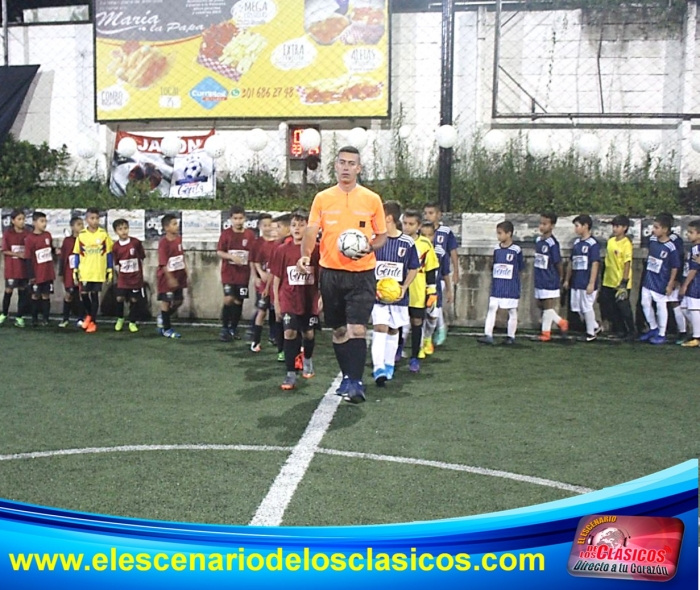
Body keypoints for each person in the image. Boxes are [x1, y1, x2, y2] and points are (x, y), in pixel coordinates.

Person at [298, 146, 387, 404]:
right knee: (338, 330)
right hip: (331, 273)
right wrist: (306, 255)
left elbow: (381, 235)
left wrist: (369, 246)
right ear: (335, 166)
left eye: (352, 163)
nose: (346, 167)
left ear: (359, 168)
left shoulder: (372, 199)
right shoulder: (322, 198)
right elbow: (312, 231)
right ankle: (348, 376)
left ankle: (357, 383)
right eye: (342, 163)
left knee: (357, 328)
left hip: (362, 273)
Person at [371, 201, 419, 385]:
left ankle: (389, 364)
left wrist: (404, 287)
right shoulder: (375, 240)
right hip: (377, 297)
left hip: (398, 297)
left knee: (393, 329)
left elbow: (414, 268)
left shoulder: (407, 242)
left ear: (388, 218)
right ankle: (378, 368)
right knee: (380, 327)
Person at [271, 211, 320, 390]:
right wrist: (276, 301)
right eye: (294, 225)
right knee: (289, 333)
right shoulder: (282, 250)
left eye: (301, 225)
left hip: (309, 299)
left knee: (308, 334)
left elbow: (321, 275)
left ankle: (307, 358)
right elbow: (277, 277)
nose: (297, 228)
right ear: (289, 228)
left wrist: (320, 297)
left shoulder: (316, 249)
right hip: (288, 299)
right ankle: (290, 374)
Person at [401, 210, 439, 372]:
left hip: (417, 290)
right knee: (398, 323)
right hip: (397, 288)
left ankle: (415, 356)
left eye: (411, 224)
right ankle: (396, 350)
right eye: (405, 223)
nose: (407, 227)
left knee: (417, 322)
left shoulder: (425, 244)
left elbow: (430, 270)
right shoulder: (397, 241)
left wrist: (432, 291)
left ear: (419, 226)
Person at [477, 221, 524, 345]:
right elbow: (494, 263)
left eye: (500, 233)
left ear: (509, 234)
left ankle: (511, 336)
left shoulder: (516, 250)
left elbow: (520, 267)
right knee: (492, 308)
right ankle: (488, 335)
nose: (498, 236)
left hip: (510, 286)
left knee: (512, 310)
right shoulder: (497, 248)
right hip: (497, 285)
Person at [638, 213, 681, 345]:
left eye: (656, 227)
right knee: (645, 303)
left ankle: (662, 333)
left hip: (661, 281)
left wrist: (670, 283)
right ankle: (653, 328)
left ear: (665, 230)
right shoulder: (652, 240)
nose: (653, 230)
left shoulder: (671, 247)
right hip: (649, 279)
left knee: (660, 306)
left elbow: (675, 266)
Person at [216, 205, 256, 342]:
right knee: (228, 298)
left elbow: (253, 254)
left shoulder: (250, 235)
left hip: (243, 274)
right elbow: (219, 251)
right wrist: (231, 257)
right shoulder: (226, 234)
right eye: (235, 218)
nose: (238, 221)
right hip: (228, 273)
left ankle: (233, 327)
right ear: (231, 219)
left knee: (239, 301)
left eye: (240, 218)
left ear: (244, 218)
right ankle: (224, 328)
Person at [72, 207, 113, 333]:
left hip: (98, 271)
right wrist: (75, 269)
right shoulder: (82, 235)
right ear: (87, 219)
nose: (95, 221)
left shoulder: (103, 234)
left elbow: (109, 253)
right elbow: (77, 254)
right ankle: (89, 315)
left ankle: (93, 322)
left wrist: (109, 269)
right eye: (92, 218)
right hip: (85, 271)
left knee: (95, 296)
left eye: (97, 218)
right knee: (84, 295)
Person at [423, 202, 459, 345]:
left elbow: (453, 251)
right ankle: (434, 330)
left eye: (431, 213)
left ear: (438, 214)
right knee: (429, 305)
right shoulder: (421, 230)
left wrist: (456, 271)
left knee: (435, 303)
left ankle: (440, 329)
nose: (428, 216)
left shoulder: (445, 231)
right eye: (426, 213)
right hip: (424, 274)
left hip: (440, 273)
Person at [563, 215, 601, 342]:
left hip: (586, 282)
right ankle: (595, 326)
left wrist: (591, 283)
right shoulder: (577, 243)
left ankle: (591, 333)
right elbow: (572, 262)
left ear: (585, 226)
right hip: (576, 282)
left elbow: (595, 263)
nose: (575, 229)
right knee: (577, 308)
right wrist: (567, 279)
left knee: (586, 306)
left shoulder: (593, 244)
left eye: (577, 226)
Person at [599, 215, 635, 341]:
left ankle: (631, 331)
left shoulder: (626, 244)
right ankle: (620, 330)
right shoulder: (610, 241)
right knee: (611, 308)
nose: (615, 229)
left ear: (624, 228)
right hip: (608, 280)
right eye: (613, 226)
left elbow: (627, 263)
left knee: (624, 308)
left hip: (620, 282)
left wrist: (624, 282)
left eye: (617, 226)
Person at [534, 213, 568, 341]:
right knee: (540, 304)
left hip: (549, 278)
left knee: (548, 306)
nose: (541, 226)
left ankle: (546, 333)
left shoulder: (552, 243)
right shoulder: (538, 240)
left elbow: (557, 262)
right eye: (540, 223)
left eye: (545, 224)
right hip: (539, 278)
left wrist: (560, 277)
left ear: (552, 225)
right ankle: (561, 322)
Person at [419, 221, 449, 356]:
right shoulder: (414, 248)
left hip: (433, 290)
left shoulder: (441, 252)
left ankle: (427, 338)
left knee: (432, 317)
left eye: (429, 235)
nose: (427, 239)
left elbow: (445, 272)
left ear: (434, 235)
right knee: (415, 320)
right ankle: (416, 346)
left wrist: (449, 289)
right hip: (417, 289)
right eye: (423, 235)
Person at [111, 218, 146, 333]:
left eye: (125, 228)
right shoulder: (115, 246)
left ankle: (132, 322)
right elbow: (116, 263)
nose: (124, 231)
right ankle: (120, 318)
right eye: (120, 229)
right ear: (116, 231)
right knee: (119, 298)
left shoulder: (135, 242)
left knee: (134, 299)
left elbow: (142, 257)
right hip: (123, 278)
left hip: (135, 278)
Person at [157, 214, 187, 339]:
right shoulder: (163, 243)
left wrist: (185, 269)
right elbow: (163, 263)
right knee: (166, 301)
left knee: (179, 301)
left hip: (179, 276)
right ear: (166, 228)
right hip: (167, 278)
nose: (177, 226)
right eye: (174, 224)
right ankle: (167, 329)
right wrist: (169, 278)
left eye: (177, 223)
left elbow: (181, 256)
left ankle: (163, 317)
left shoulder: (178, 239)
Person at [250, 213, 277, 352]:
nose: (267, 228)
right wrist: (259, 274)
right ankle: (255, 340)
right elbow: (254, 261)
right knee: (262, 310)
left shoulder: (278, 243)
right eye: (264, 225)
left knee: (276, 311)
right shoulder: (258, 243)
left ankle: (275, 337)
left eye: (269, 224)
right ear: (260, 226)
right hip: (263, 283)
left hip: (275, 283)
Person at [268, 214, 293, 362]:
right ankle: (284, 351)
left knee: (285, 322)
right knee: (282, 321)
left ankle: (284, 351)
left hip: (288, 292)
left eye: (279, 227)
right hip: (283, 291)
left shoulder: (287, 246)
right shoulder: (279, 246)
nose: (275, 231)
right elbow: (275, 271)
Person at [24, 211, 55, 326]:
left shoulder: (47, 235)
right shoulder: (30, 239)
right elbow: (28, 258)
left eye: (45, 221)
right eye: (42, 221)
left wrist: (54, 250)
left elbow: (50, 248)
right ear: (34, 223)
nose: (44, 224)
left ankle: (46, 319)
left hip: (48, 272)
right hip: (37, 273)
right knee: (35, 295)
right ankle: (34, 319)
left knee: (46, 295)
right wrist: (31, 275)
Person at [0, 209, 29, 327]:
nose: (22, 222)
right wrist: (18, 254)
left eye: (23, 219)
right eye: (19, 219)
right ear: (13, 221)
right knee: (9, 291)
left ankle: (19, 316)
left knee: (22, 292)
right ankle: (4, 314)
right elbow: (5, 251)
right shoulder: (8, 234)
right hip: (12, 269)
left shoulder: (27, 233)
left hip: (24, 269)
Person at [58, 216, 84, 328]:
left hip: (83, 272)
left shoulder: (85, 240)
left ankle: (81, 318)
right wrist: (61, 273)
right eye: (79, 224)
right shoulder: (67, 241)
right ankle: (65, 319)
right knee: (69, 295)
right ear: (72, 227)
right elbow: (63, 258)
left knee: (82, 295)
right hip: (69, 273)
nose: (81, 227)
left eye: (82, 224)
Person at [679, 219, 700, 347]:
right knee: (684, 307)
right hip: (692, 281)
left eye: (691, 232)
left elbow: (693, 268)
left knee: (693, 308)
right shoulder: (693, 248)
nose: (688, 235)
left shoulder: (696, 249)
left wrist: (685, 284)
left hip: (695, 282)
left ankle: (697, 337)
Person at [666, 217, 687, 343]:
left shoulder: (675, 240)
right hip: (663, 276)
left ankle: (683, 331)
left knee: (676, 303)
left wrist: (677, 278)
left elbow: (679, 259)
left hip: (673, 276)